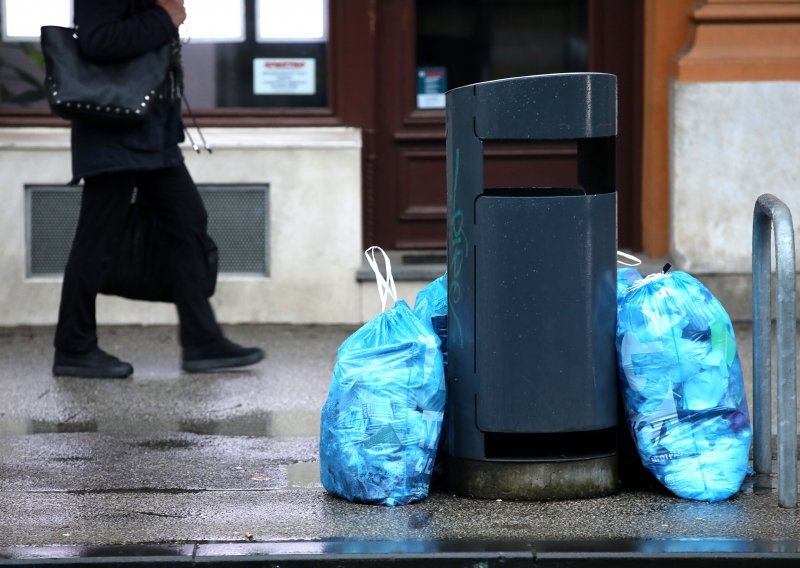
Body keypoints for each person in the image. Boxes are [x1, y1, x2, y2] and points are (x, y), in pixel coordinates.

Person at [52, 0, 264, 378]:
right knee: (95, 240)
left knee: (187, 222)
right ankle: (74, 346)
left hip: (151, 133)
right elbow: (97, 41)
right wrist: (163, 17)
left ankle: (202, 341)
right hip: (114, 129)